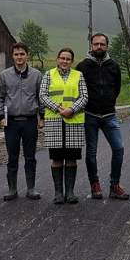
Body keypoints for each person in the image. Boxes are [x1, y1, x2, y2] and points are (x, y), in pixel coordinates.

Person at [75, 33, 129, 200]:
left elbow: (117, 87)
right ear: (91, 45)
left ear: (107, 46)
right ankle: (95, 185)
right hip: (89, 115)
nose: (99, 47)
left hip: (109, 115)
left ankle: (115, 185)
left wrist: (110, 99)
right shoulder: (82, 66)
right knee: (91, 153)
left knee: (118, 148)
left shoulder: (113, 65)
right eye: (96, 44)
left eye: (102, 44)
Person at [0, 42, 43, 201]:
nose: (19, 57)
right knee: (12, 157)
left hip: (30, 122)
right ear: (12, 56)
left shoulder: (36, 75)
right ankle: (12, 189)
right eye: (16, 54)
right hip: (11, 123)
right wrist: (1, 116)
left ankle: (31, 189)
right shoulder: (5, 75)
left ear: (27, 55)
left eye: (22, 54)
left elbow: (41, 97)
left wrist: (41, 117)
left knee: (30, 157)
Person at [39, 48, 89, 205]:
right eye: (62, 58)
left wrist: (72, 109)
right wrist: (59, 109)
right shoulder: (48, 74)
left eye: (68, 59)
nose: (65, 61)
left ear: (72, 61)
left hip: (74, 122)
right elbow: (43, 95)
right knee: (57, 158)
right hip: (55, 121)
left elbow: (84, 96)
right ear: (57, 59)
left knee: (72, 159)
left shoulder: (78, 75)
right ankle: (58, 193)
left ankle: (70, 193)